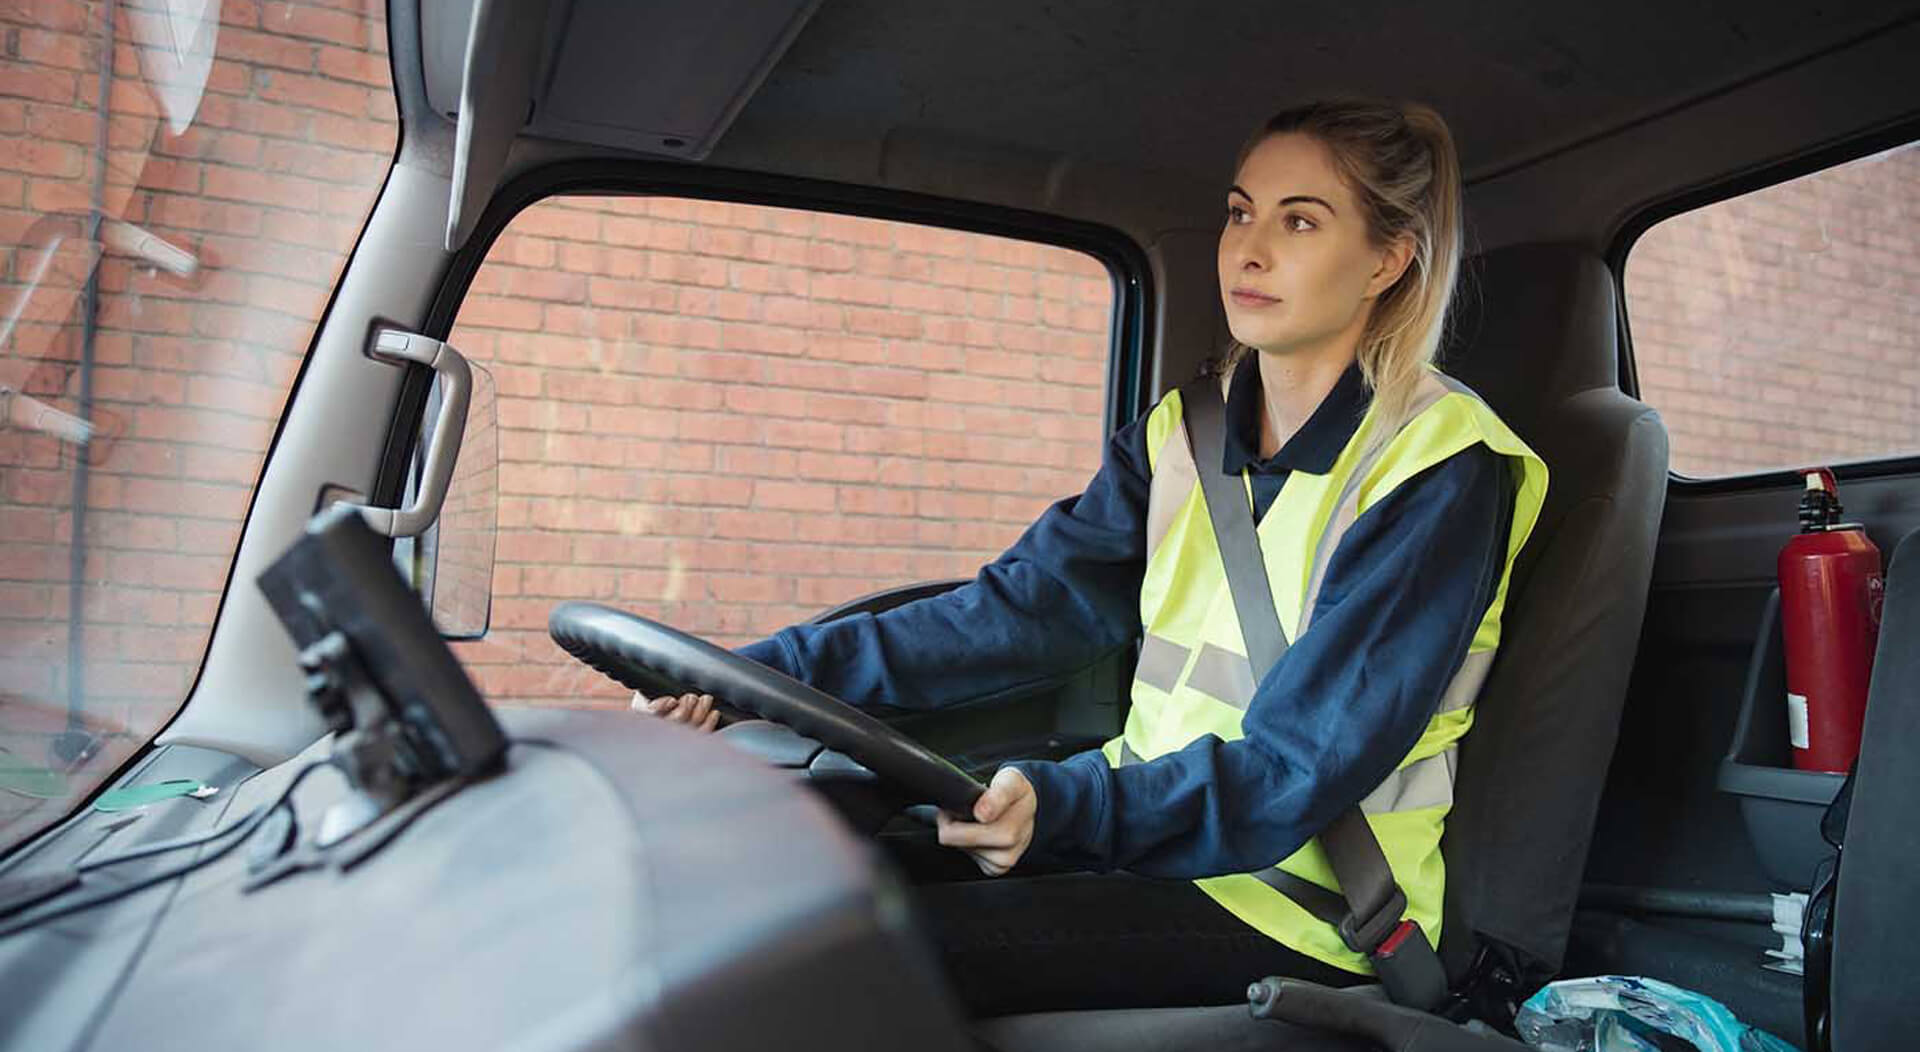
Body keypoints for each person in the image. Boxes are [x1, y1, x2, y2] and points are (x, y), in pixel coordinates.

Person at [638, 97, 1549, 1015]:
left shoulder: (1439, 468)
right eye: (1240, 213)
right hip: (1161, 851)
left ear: (1387, 262)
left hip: (1305, 911)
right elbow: (1016, 614)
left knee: (844, 967)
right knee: (799, 892)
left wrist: (1072, 806)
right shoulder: (1182, 436)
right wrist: (748, 675)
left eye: (1300, 221)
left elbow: (1299, 767)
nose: (1249, 250)